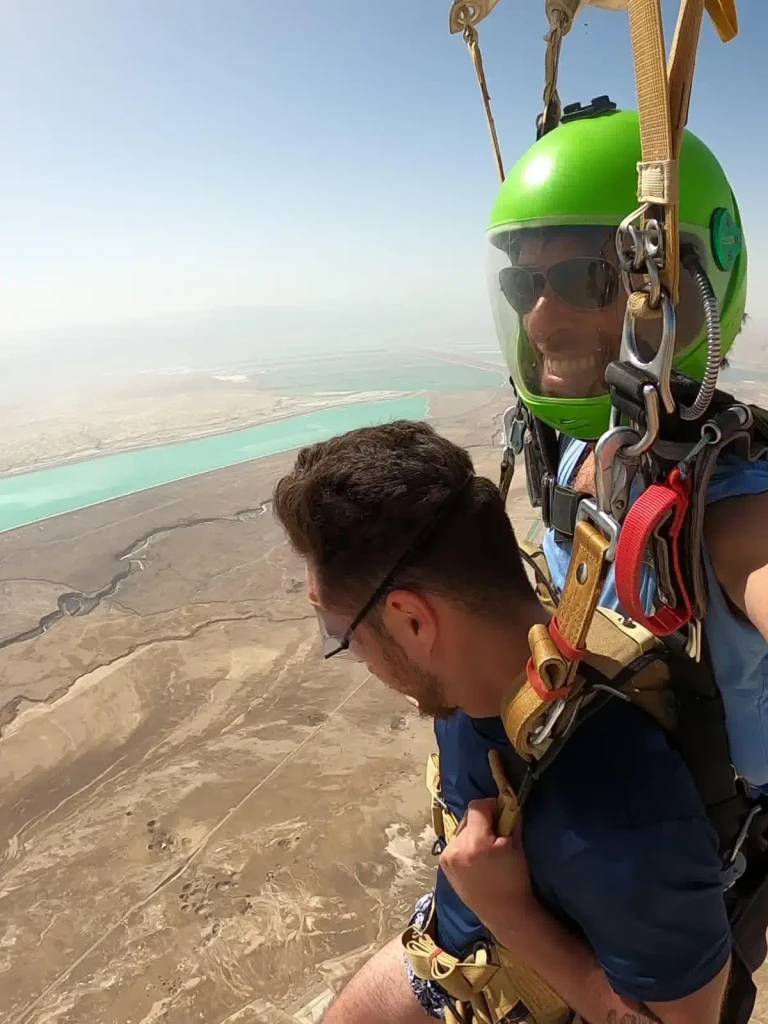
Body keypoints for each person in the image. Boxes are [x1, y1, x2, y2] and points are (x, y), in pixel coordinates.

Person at [272, 419, 736, 1024]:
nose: (353, 655)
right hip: (463, 961)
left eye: (343, 634)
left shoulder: (618, 809)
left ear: (414, 621)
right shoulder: (481, 683)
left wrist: (507, 913)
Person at [486, 106, 768, 792]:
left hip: (707, 869)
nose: (540, 319)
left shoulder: (734, 516)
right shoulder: (569, 447)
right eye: (524, 285)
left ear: (684, 296)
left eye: (588, 279)